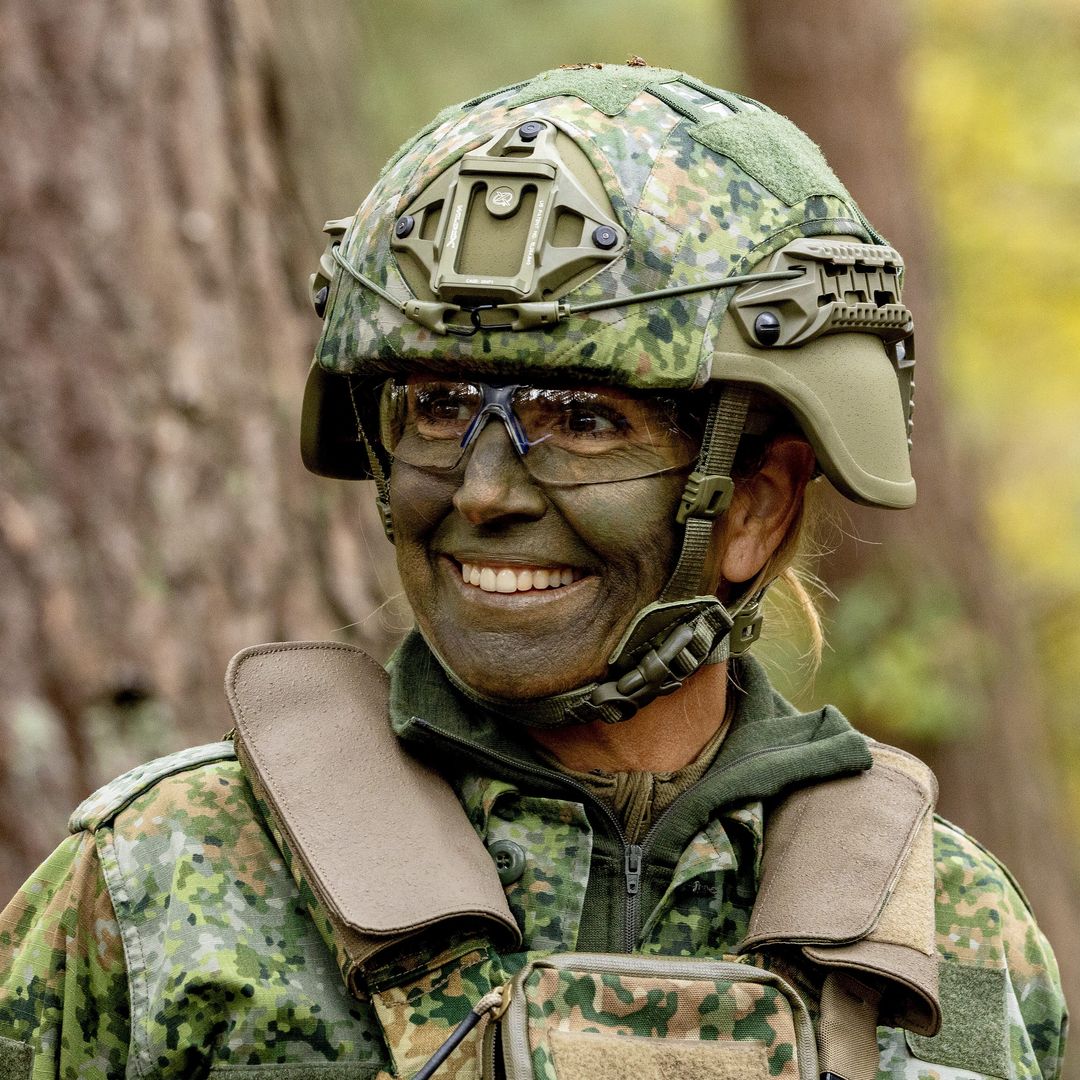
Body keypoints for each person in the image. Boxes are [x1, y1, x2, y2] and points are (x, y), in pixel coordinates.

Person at [0, 63, 1066, 1080]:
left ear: (754, 505)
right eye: (438, 407)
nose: (482, 493)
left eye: (584, 421)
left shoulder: (943, 929)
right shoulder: (161, 885)